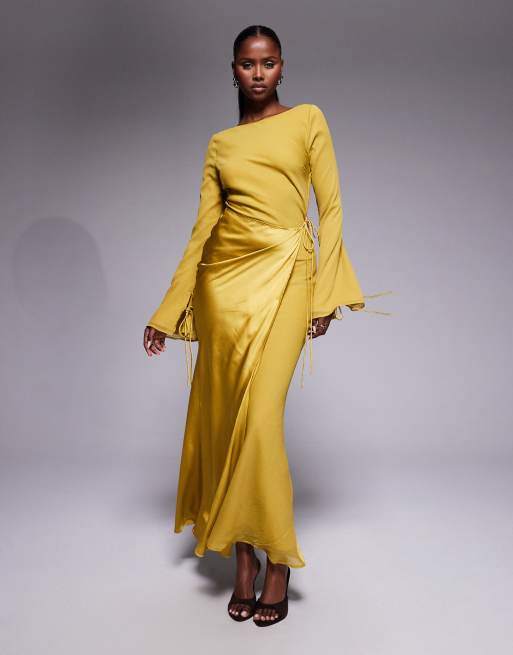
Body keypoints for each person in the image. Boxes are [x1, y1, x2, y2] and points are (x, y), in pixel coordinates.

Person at [143, 25, 391, 627]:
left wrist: (327, 292)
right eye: (248, 64)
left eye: (269, 63)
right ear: (232, 70)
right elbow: (202, 230)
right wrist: (167, 310)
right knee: (228, 421)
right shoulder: (221, 144)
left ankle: (278, 561)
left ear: (282, 67)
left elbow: (331, 208)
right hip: (224, 286)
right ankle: (244, 560)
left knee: (259, 419)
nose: (258, 74)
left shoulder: (307, 120)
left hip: (288, 275)